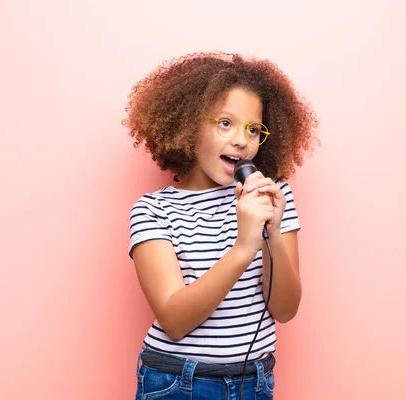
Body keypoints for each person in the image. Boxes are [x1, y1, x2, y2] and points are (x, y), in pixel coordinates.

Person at [123, 52, 319, 399]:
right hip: (177, 383)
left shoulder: (271, 197)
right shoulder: (154, 210)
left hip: (253, 382)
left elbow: (285, 310)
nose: (242, 140)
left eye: (253, 129)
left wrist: (271, 234)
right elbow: (175, 319)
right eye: (225, 123)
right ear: (188, 124)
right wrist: (243, 248)